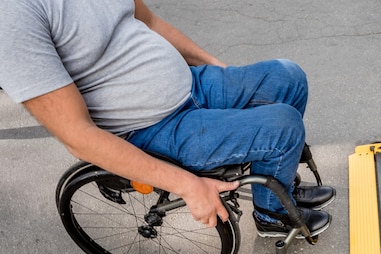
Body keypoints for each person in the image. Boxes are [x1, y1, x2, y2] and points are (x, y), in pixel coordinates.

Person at [0, 0, 334, 237]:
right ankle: (271, 215)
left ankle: (277, 187)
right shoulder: (12, 19)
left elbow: (150, 22)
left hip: (192, 85)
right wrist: (189, 186)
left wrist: (221, 72)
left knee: (287, 77)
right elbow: (77, 136)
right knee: (283, 127)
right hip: (152, 128)